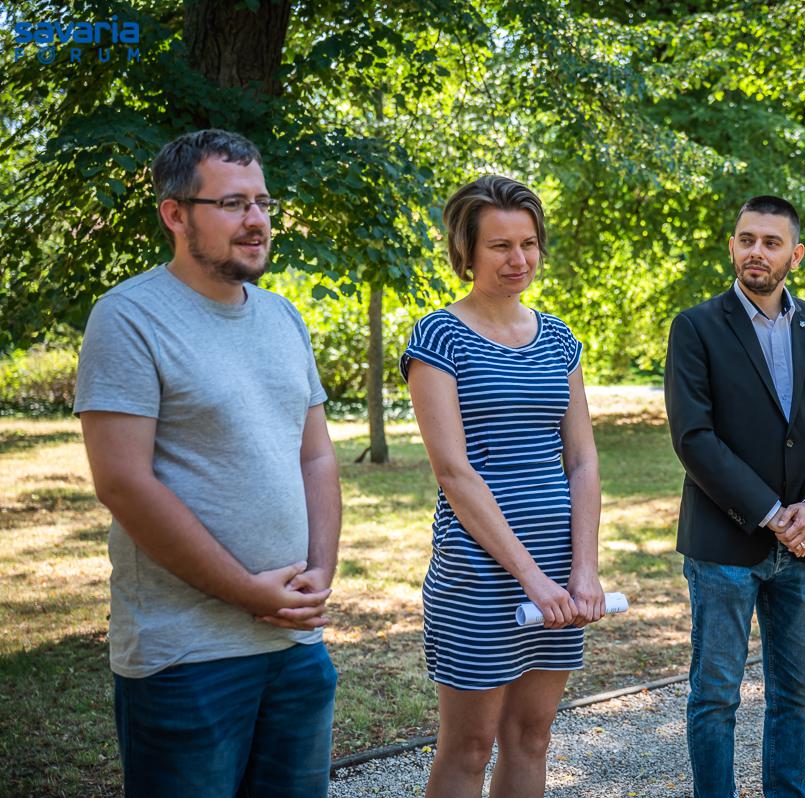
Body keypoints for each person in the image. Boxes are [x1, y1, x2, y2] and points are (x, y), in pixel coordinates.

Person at [74, 129, 342, 797]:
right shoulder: (128, 317)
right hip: (186, 655)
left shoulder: (283, 317)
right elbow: (123, 483)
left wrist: (320, 571)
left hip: (296, 647)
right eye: (232, 204)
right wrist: (248, 592)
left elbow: (314, 453)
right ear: (175, 213)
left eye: (263, 202)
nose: (256, 221)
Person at [401, 175, 605, 797]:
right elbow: (453, 471)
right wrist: (531, 579)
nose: (519, 259)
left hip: (558, 572)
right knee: (469, 748)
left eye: (528, 243)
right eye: (500, 246)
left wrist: (583, 569)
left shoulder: (560, 339)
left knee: (531, 738)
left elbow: (582, 460)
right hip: (479, 575)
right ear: (466, 252)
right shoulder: (439, 337)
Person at [664, 195, 805, 798]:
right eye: (747, 239)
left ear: (794, 256)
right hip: (724, 544)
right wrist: (772, 514)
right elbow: (694, 438)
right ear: (732, 247)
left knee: (795, 694)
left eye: (771, 242)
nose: (757, 251)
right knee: (716, 696)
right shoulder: (696, 326)